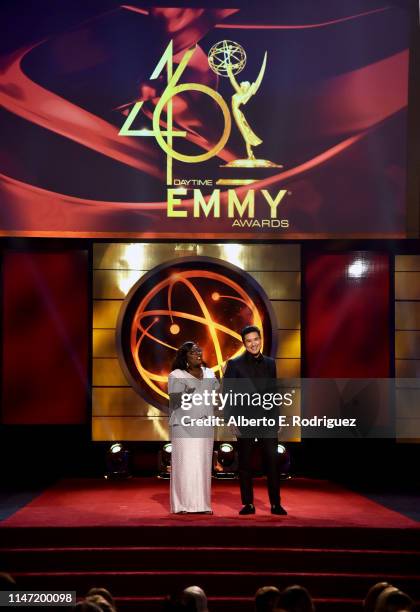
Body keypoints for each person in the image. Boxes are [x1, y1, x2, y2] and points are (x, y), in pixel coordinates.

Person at [224, 325, 287, 515]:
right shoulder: (234, 364)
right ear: (244, 343)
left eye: (256, 339)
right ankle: (248, 504)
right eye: (249, 341)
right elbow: (228, 393)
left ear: (261, 339)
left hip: (267, 420)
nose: (253, 343)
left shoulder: (270, 363)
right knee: (245, 463)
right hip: (244, 419)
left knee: (272, 462)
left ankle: (275, 504)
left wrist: (278, 418)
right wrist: (231, 420)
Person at [168, 341, 218, 514]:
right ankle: (182, 505)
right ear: (185, 357)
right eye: (193, 352)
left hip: (204, 425)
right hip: (183, 426)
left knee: (202, 465)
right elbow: (175, 403)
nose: (198, 354)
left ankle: (203, 505)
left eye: (199, 351)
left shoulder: (209, 373)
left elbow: (216, 396)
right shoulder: (176, 375)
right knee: (185, 464)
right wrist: (187, 394)